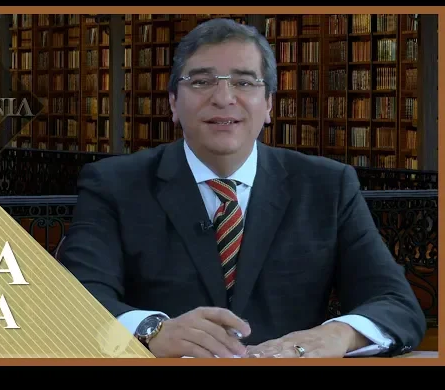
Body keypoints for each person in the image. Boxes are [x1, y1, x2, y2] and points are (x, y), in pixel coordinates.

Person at [58, 18, 426, 358]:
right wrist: (151, 330)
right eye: (201, 82)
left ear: (268, 105)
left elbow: (396, 304)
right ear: (173, 103)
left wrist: (339, 334)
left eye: (244, 82)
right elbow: (74, 300)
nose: (223, 98)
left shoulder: (327, 186)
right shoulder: (113, 184)